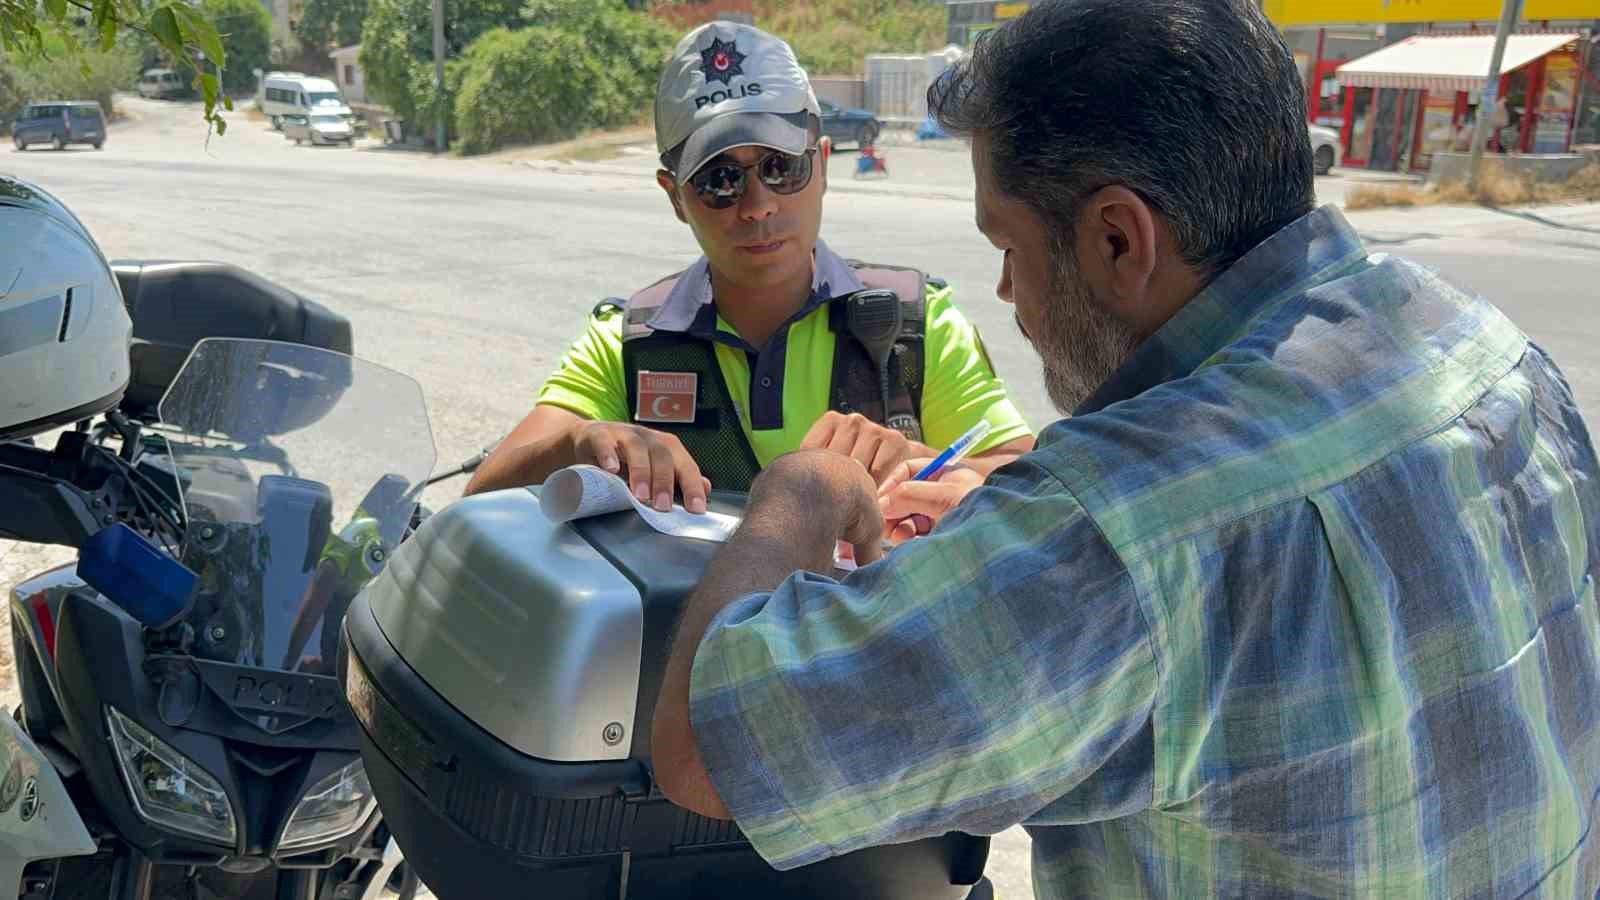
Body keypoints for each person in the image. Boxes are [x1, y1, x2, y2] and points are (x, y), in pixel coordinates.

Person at [650, 1, 1600, 897]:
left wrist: (806, 491)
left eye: (1009, 247)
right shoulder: (1494, 353)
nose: (1010, 294)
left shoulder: (1113, 530)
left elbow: (705, 749)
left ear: (1116, 238)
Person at [464, 21, 1034, 509]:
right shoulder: (629, 342)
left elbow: (1027, 487)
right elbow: (482, 503)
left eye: (781, 167)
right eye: (720, 180)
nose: (759, 206)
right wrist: (578, 444)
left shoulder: (915, 326)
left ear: (824, 163)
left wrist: (920, 464)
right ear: (674, 196)